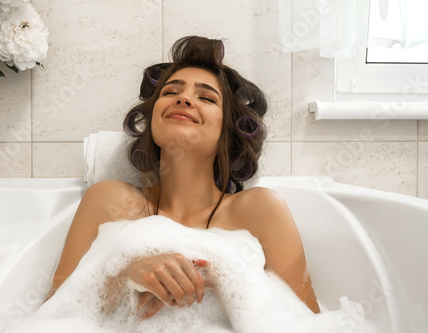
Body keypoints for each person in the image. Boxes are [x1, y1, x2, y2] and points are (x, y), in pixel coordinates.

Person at [45, 36, 320, 319]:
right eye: (170, 92)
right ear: (152, 118)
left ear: (229, 131)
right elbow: (54, 315)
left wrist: (220, 274)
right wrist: (123, 272)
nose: (183, 98)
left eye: (206, 98)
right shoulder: (108, 200)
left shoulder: (259, 209)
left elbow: (306, 321)